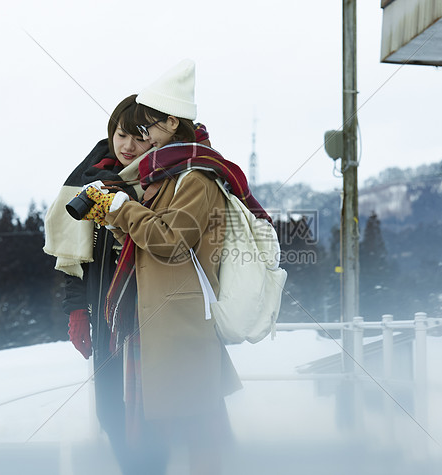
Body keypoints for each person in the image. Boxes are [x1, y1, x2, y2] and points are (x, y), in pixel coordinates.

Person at [80, 59, 273, 475]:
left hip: (180, 325)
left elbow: (171, 241)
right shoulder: (166, 175)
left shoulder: (196, 178)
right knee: (164, 436)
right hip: (158, 323)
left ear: (172, 122)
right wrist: (116, 214)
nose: (142, 138)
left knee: (198, 433)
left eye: (148, 127)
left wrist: (121, 209)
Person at [43, 94, 166, 474]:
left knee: (157, 418)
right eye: (120, 134)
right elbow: (75, 258)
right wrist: (77, 309)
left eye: (139, 136)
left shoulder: (165, 181)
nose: (127, 146)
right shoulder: (91, 182)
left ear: (157, 139)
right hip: (109, 316)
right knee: (112, 412)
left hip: (157, 318)